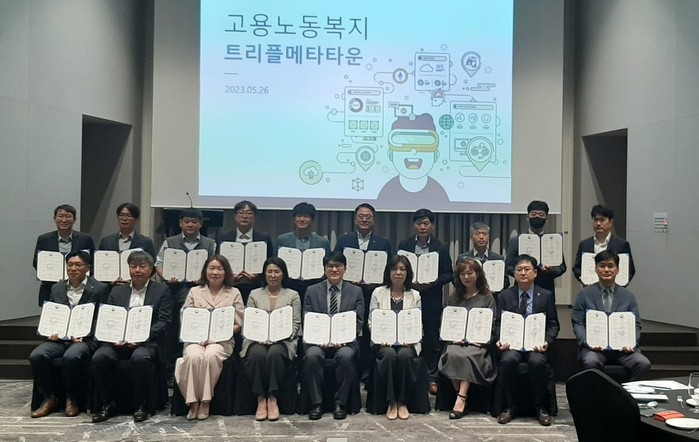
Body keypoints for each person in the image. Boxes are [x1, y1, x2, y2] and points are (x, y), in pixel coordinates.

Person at [91, 251, 172, 423]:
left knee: (140, 358)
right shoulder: (117, 291)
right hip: (117, 341)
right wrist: (114, 338)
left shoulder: (162, 290)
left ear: (151, 269)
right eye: (133, 266)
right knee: (100, 357)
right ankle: (108, 404)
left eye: (142, 266)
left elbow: (163, 322)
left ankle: (141, 405)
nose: (137, 270)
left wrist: (142, 337)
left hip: (146, 342)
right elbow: (108, 318)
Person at [29, 251, 108, 418]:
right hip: (60, 339)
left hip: (84, 339)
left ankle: (72, 399)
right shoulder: (56, 288)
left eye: (78, 265)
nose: (73, 268)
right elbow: (51, 313)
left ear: (88, 268)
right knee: (37, 355)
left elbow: (101, 317)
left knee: (72, 356)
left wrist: (85, 334)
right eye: (70, 265)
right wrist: (50, 331)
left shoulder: (100, 288)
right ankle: (49, 398)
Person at [177, 255, 244, 420]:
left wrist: (219, 335)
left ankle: (205, 401)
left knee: (210, 356)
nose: (215, 272)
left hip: (222, 341)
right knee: (193, 356)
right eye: (211, 268)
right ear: (205, 271)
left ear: (225, 272)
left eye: (219, 269)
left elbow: (239, 323)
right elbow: (185, 318)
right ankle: (193, 402)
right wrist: (198, 337)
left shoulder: (234, 293)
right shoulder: (194, 292)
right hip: (196, 339)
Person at [495, 254, 559, 426]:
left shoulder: (545, 295)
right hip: (511, 345)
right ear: (514, 273)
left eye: (527, 269)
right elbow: (497, 323)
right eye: (519, 270)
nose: (523, 273)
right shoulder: (504, 295)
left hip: (536, 345)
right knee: (508, 360)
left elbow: (553, 324)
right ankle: (509, 406)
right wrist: (500, 339)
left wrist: (546, 341)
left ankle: (540, 407)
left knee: (537, 362)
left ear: (535, 273)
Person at [155, 208, 216, 380]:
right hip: (174, 290)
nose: (190, 225)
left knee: (195, 331)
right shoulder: (169, 242)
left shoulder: (210, 244)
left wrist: (204, 277)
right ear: (180, 223)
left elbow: (216, 266)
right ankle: (170, 373)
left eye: (194, 221)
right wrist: (166, 276)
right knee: (173, 331)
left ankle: (194, 370)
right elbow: (159, 263)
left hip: (201, 291)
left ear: (200, 224)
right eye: (187, 221)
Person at [335, 202, 393, 383]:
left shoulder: (383, 242)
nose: (364, 219)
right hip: (348, 293)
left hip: (372, 293)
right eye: (361, 216)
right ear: (355, 219)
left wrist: (377, 281)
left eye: (368, 217)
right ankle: (353, 371)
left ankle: (368, 373)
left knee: (369, 332)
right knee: (350, 329)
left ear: (374, 220)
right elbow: (335, 263)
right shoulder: (344, 240)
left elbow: (390, 268)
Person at [397, 208, 453, 395]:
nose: (422, 227)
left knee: (431, 338)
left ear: (432, 226)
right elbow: (397, 268)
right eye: (419, 223)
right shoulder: (404, 245)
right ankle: (409, 374)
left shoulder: (441, 246)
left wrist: (433, 282)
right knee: (408, 334)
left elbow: (449, 274)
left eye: (426, 223)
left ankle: (432, 377)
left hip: (431, 297)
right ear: (414, 225)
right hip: (408, 296)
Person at [303, 251, 364, 420]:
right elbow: (308, 319)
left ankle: (340, 403)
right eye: (330, 266)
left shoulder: (356, 291)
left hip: (345, 342)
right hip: (317, 342)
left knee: (346, 356)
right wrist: (320, 339)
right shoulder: (311, 291)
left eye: (338, 266)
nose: (334, 269)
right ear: (324, 269)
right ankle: (316, 403)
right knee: (312, 356)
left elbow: (358, 322)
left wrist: (342, 340)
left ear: (345, 269)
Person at [571, 250, 650, 380]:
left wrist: (632, 343)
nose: (606, 270)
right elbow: (578, 322)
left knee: (643, 363)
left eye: (610, 266)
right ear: (596, 269)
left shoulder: (628, 296)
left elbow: (636, 324)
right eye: (602, 266)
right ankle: (600, 392)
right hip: (594, 349)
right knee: (590, 361)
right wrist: (587, 342)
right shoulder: (585, 294)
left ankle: (626, 392)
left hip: (623, 350)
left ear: (617, 270)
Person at [240, 257, 301, 421]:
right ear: (264, 274)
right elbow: (250, 320)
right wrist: (259, 337)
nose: (273, 275)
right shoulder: (254, 294)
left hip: (284, 340)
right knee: (257, 354)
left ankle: (273, 397)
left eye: (277, 271)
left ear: (283, 274)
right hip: (256, 339)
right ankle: (261, 398)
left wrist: (279, 337)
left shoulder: (293, 295)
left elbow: (295, 323)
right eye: (269, 272)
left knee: (275, 353)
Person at [438, 258, 497, 420]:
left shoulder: (487, 298)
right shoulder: (454, 297)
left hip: (478, 343)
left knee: (468, 355)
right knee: (452, 353)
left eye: (470, 273)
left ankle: (461, 398)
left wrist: (482, 339)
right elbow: (446, 322)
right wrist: (452, 338)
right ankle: (461, 396)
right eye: (462, 274)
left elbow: (492, 324)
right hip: (456, 341)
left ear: (477, 274)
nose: (466, 277)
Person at [368, 255, 421, 420]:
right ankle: (391, 401)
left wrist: (411, 340)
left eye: (402, 269)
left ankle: (402, 402)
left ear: (408, 273)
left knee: (405, 355)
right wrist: (380, 338)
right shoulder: (378, 293)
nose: (398, 272)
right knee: (389, 354)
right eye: (394, 269)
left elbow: (417, 322)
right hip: (383, 343)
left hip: (407, 343)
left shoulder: (415, 295)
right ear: (388, 272)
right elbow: (371, 320)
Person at [33, 204, 96, 306]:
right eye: (60, 216)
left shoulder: (85, 239)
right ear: (55, 219)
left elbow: (92, 262)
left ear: (74, 220)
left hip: (80, 289)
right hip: (50, 288)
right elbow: (36, 262)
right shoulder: (44, 239)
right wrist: (49, 275)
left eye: (68, 216)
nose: (64, 220)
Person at [505, 200, 566, 300]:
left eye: (541, 215)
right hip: (521, 288)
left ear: (547, 218)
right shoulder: (517, 240)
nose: (537, 217)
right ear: (527, 217)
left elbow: (562, 267)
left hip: (546, 287)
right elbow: (508, 265)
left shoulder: (553, 240)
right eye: (534, 214)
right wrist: (522, 272)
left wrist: (552, 271)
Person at [217, 200, 274, 304]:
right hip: (230, 285)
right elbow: (218, 261)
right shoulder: (224, 237)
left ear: (254, 217)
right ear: (235, 216)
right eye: (241, 213)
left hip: (256, 286)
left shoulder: (263, 238)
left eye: (249, 213)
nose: (244, 216)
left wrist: (256, 277)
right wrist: (229, 277)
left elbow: (270, 262)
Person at [275, 202, 331, 300]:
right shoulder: (282, 240)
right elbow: (275, 263)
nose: (302, 219)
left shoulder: (322, 242)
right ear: (294, 219)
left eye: (306, 216)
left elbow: (328, 265)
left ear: (312, 219)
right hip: (288, 286)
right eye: (299, 216)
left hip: (314, 286)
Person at [98, 203, 157, 292]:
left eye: (129, 216)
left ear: (136, 220)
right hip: (111, 288)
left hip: (137, 288)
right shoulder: (106, 241)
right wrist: (109, 282)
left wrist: (137, 279)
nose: (124, 219)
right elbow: (100, 265)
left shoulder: (146, 242)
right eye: (121, 215)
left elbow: (152, 266)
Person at [572, 204, 635, 285]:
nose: (598, 223)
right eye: (595, 220)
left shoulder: (621, 244)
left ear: (611, 222)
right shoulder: (584, 244)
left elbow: (630, 269)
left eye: (602, 220)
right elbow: (577, 268)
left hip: (614, 288)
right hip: (590, 288)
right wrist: (583, 278)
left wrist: (620, 284)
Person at [456, 222, 510, 292]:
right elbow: (456, 281)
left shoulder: (498, 259)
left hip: (493, 296)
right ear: (471, 238)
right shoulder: (463, 258)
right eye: (477, 234)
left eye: (484, 234)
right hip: (469, 296)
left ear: (488, 237)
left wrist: (496, 289)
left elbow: (506, 282)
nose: (481, 237)